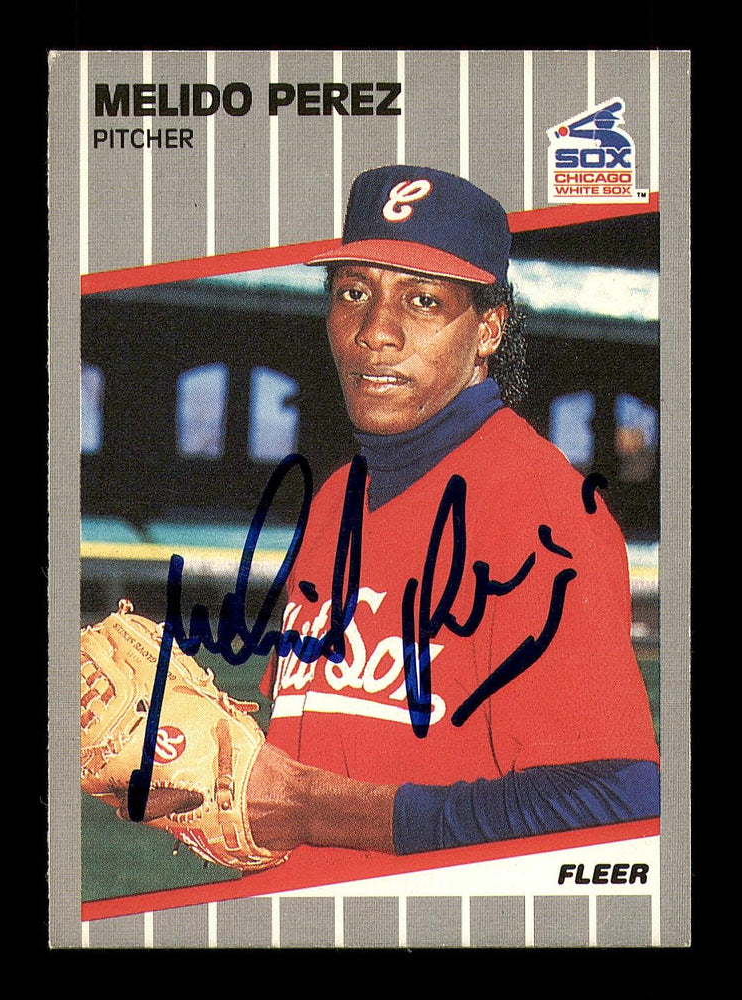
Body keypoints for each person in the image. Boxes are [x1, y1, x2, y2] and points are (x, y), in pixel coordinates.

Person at [246, 165, 659, 858]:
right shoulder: (336, 497)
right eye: (353, 292)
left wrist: (317, 813)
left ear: (488, 329)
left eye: (423, 301)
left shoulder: (541, 508)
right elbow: (315, 754)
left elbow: (618, 797)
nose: (375, 331)